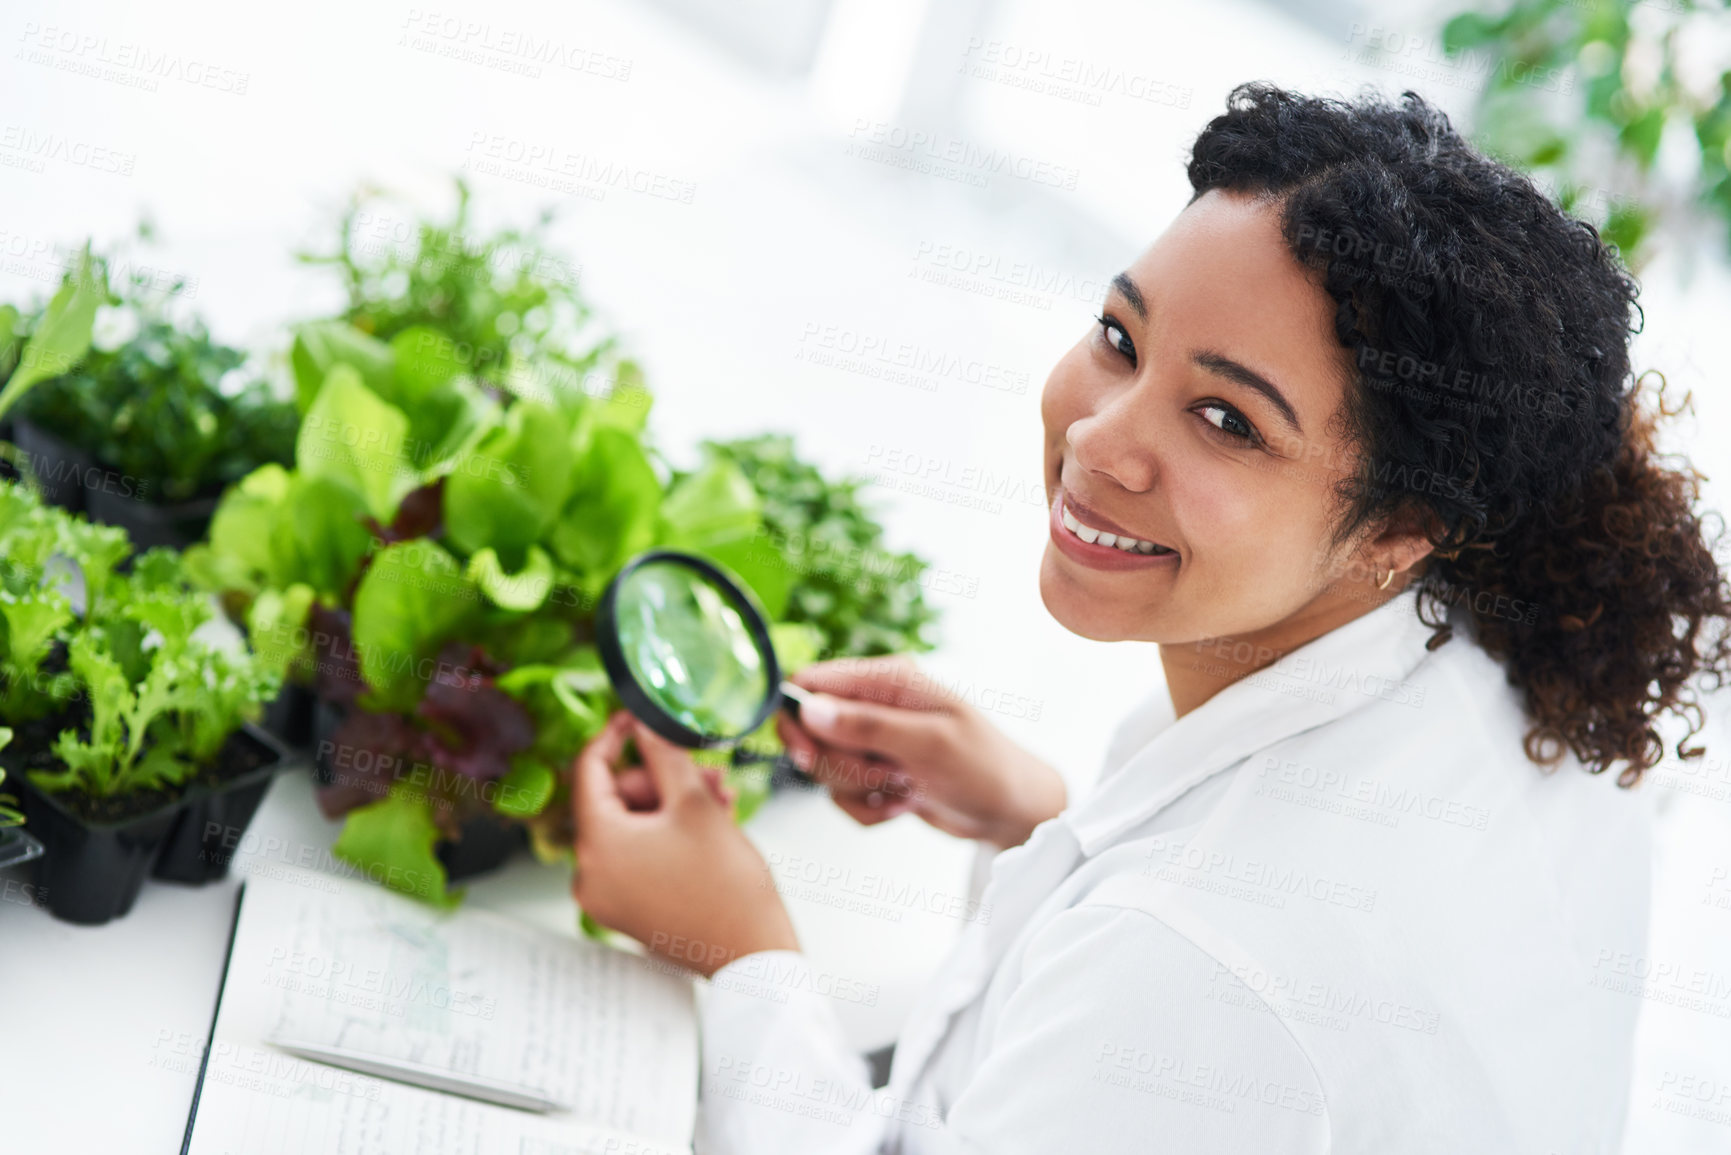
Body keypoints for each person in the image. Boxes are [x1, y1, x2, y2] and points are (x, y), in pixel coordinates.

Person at [569, 83, 1731, 1153]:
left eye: (1227, 421)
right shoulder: (1492, 669)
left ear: (1400, 527)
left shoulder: (1201, 960)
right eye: (1121, 338)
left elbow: (1187, 988)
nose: (1096, 439)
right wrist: (1033, 826)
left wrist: (738, 953)